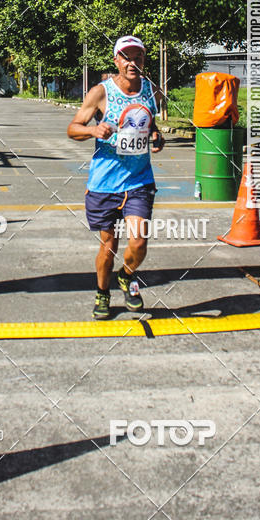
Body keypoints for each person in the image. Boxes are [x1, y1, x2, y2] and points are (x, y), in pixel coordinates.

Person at [67, 36, 164, 319]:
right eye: (127, 57)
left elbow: (150, 125)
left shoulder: (151, 91)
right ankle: (102, 292)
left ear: (144, 60)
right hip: (105, 183)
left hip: (139, 181)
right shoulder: (101, 93)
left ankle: (126, 275)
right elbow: (73, 128)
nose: (133, 63)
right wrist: (92, 131)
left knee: (139, 243)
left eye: (138, 57)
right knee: (108, 246)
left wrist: (156, 136)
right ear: (117, 61)